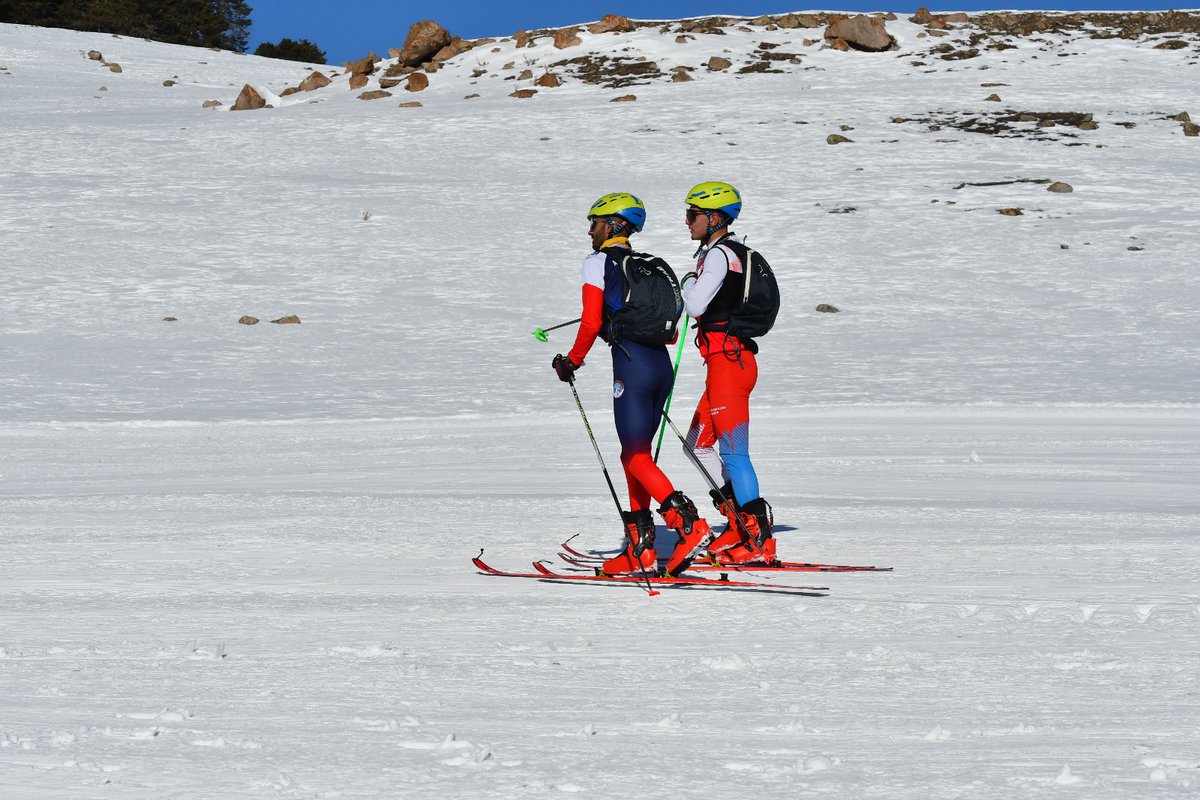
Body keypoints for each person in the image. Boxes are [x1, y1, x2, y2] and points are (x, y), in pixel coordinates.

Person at [553, 192, 713, 577]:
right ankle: (640, 546)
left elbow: (590, 321)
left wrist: (571, 361)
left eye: (595, 222)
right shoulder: (651, 264)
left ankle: (687, 523)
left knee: (635, 456)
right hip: (658, 364)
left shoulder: (597, 262)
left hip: (632, 366)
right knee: (634, 455)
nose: (590, 230)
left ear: (613, 225)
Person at [680, 181, 775, 564]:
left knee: (734, 453)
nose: (687, 221)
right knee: (696, 445)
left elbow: (695, 305)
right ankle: (739, 523)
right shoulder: (722, 254)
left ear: (714, 217)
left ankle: (758, 541)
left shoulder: (720, 255)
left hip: (730, 364)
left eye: (692, 214)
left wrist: (688, 283)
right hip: (724, 363)